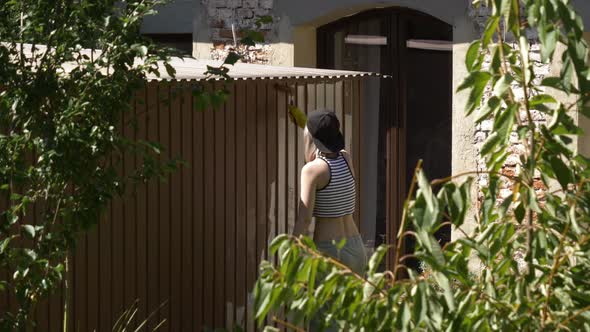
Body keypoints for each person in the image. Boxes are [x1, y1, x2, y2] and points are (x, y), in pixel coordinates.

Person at [292, 110, 367, 275]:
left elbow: (304, 220)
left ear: (309, 138)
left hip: (331, 251)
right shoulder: (346, 158)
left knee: (323, 301)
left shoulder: (312, 171)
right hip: (356, 247)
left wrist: (290, 254)